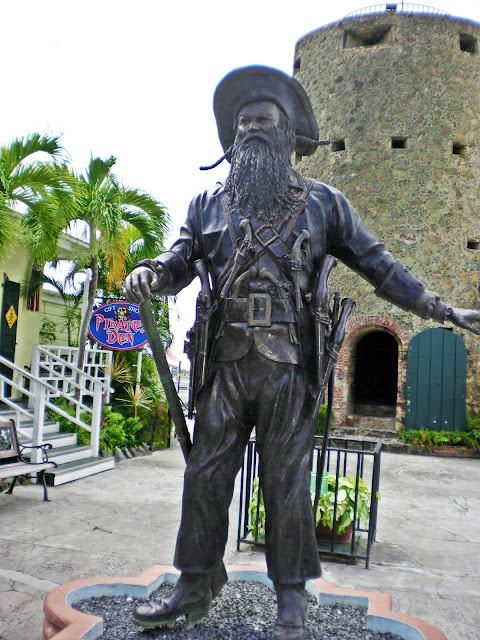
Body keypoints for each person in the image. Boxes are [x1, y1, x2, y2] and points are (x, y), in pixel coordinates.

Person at [124, 66, 480, 640]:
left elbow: (380, 265)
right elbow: (179, 260)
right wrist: (152, 272)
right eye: (243, 123)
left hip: (289, 364)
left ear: (288, 134)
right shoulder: (206, 204)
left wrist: (440, 309)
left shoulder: (325, 204)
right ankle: (194, 583)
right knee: (205, 472)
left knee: (286, 478)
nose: (250, 129)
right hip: (224, 361)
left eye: (263, 121)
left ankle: (291, 596)